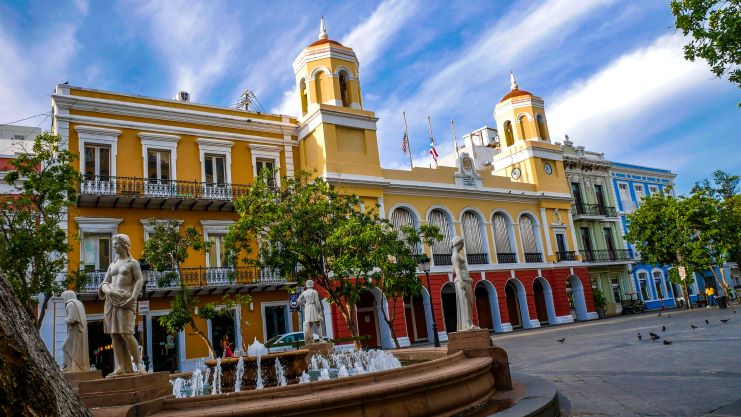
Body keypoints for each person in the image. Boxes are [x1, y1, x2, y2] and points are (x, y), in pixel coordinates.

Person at [98, 234, 145, 377]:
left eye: (116, 243)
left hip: (126, 301)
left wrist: (133, 297)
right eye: (113, 244)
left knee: (126, 333)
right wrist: (110, 292)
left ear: (124, 245)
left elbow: (139, 281)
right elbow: (104, 283)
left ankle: (139, 365)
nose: (114, 246)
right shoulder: (112, 265)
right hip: (111, 302)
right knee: (115, 335)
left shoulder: (133, 263)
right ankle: (121, 367)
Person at [451, 237, 477, 331]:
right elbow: (457, 269)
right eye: (462, 243)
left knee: (469, 303)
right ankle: (467, 325)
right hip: (461, 281)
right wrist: (461, 281)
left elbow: (463, 268)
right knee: (465, 303)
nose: (463, 245)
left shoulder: (458, 254)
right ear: (459, 244)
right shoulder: (455, 256)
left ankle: (470, 323)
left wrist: (467, 278)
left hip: (466, 280)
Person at [62, 290, 90, 372]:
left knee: (65, 347)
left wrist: (65, 319)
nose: (64, 300)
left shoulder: (70, 304)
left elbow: (71, 320)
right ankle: (73, 367)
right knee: (77, 350)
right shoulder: (79, 303)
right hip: (80, 331)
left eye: (64, 298)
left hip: (75, 332)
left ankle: (69, 367)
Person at [297, 280, 324, 344]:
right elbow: (317, 302)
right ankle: (320, 339)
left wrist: (304, 305)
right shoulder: (314, 292)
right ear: (312, 284)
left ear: (306, 285)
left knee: (310, 325)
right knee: (318, 324)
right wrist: (320, 311)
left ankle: (312, 339)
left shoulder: (304, 292)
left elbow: (298, 300)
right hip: (313, 307)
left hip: (307, 308)